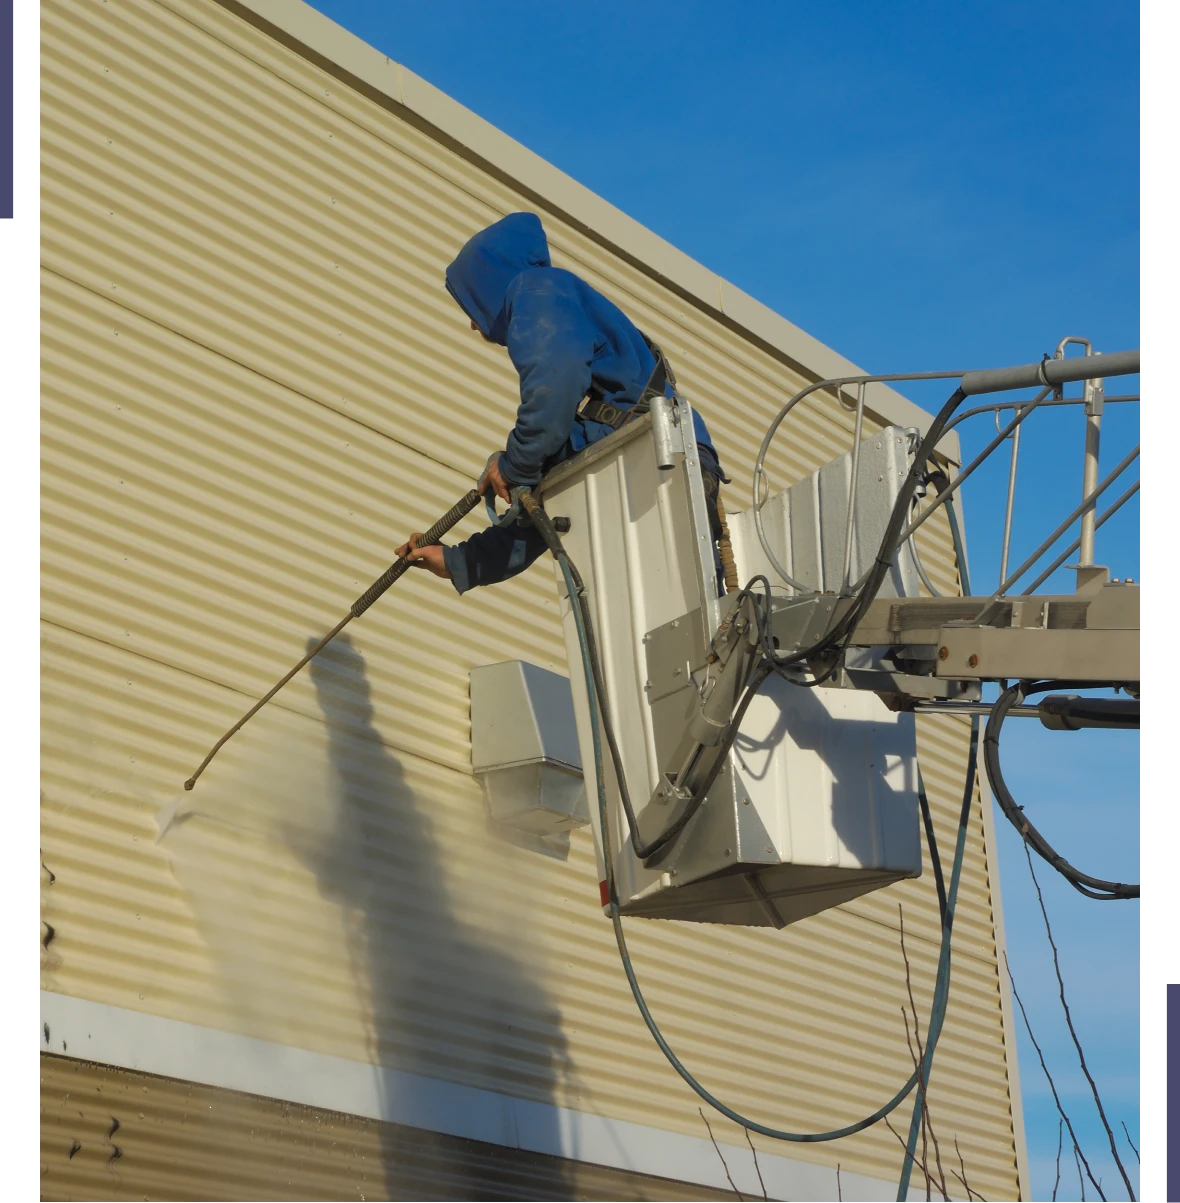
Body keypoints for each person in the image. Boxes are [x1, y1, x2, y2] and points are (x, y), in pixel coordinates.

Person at [397, 212, 729, 592]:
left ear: (488, 284)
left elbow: (552, 388)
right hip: (648, 461)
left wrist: (513, 464)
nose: (474, 324)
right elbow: (547, 513)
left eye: (472, 306)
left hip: (657, 458)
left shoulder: (537, 290)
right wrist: (458, 562)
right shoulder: (588, 420)